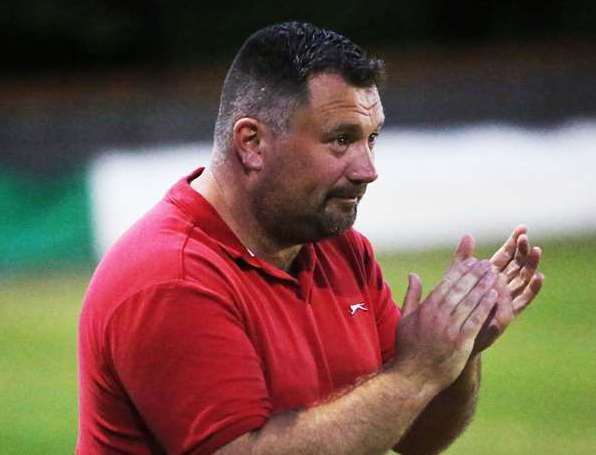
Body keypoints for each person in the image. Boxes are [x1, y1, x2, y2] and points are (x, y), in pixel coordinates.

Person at [77, 22, 543, 454]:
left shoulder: (340, 249)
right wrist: (416, 371)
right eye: (341, 139)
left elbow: (415, 434)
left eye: (371, 138)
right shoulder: (171, 279)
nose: (368, 170)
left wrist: (457, 352)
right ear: (252, 143)